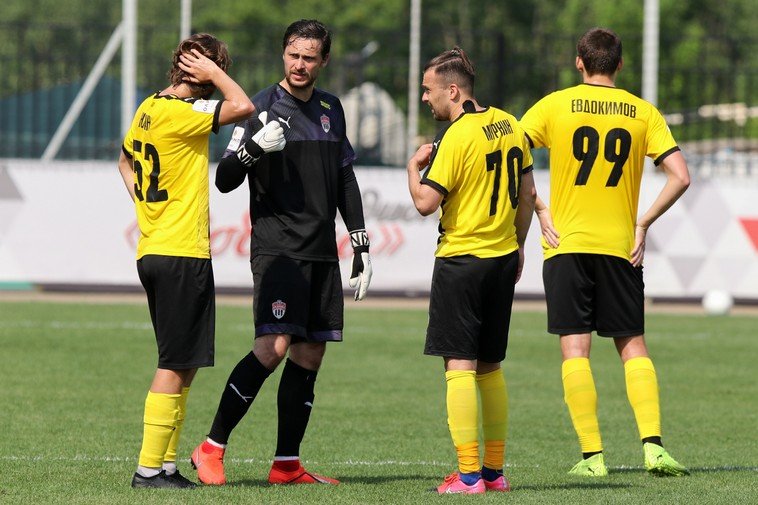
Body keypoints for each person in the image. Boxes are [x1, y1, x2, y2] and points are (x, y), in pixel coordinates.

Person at [191, 19, 371, 486]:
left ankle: (286, 464)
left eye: (310, 57)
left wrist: (359, 239)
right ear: (283, 54)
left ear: (323, 61)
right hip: (279, 249)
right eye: (294, 55)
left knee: (310, 353)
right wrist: (253, 149)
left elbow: (345, 178)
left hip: (321, 252)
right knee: (272, 346)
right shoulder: (260, 108)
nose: (300, 64)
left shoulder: (331, 108)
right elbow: (225, 178)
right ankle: (210, 448)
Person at [519, 27, 691, 477]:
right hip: (620, 247)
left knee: (575, 350)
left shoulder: (556, 104)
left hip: (566, 245)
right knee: (633, 345)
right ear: (620, 64)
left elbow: (509, 151)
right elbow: (681, 175)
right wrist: (643, 222)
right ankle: (654, 448)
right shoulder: (642, 112)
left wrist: (539, 206)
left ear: (579, 62)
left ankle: (593, 457)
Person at [117, 34, 264, 488]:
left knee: (185, 362)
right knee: (174, 363)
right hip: (179, 252)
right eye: (212, 70)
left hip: (157, 248)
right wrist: (215, 73)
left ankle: (165, 465)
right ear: (201, 71)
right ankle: (148, 470)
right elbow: (244, 106)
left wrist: (148, 210)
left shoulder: (148, 107)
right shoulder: (183, 113)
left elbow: (124, 162)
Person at [406, 47, 536, 494]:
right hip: (502, 258)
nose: (425, 98)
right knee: (490, 367)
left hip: (462, 261)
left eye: (429, 90)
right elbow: (528, 193)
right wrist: (519, 245)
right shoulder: (510, 124)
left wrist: (412, 168)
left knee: (459, 367)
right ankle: (494, 473)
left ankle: (467, 476)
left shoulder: (457, 136)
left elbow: (425, 203)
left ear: (453, 90)